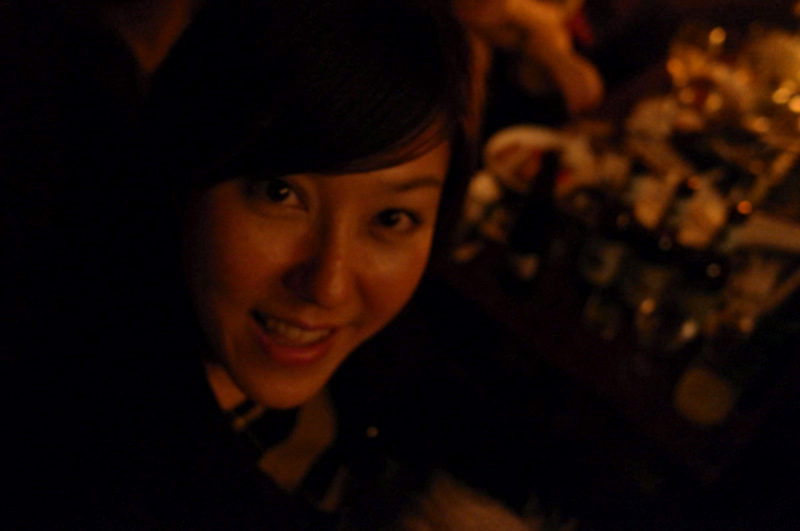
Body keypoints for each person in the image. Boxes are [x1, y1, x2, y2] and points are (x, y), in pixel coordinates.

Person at [6, 0, 558, 528]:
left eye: (391, 218)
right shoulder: (96, 464)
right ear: (186, 164)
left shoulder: (409, 360)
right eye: (280, 193)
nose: (328, 285)